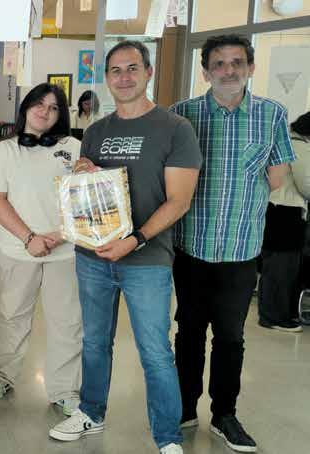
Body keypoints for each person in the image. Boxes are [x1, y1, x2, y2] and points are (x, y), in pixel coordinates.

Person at [48, 41, 201, 454]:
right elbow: (88, 191)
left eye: (133, 68)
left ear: (148, 72)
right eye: (115, 70)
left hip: (146, 259)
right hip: (92, 256)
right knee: (94, 342)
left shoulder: (175, 129)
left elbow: (179, 201)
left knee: (155, 351)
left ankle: (167, 436)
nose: (124, 77)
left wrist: (134, 240)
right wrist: (83, 171)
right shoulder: (96, 131)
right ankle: (91, 412)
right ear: (107, 78)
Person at [169, 34, 295, 453]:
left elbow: (276, 177)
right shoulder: (182, 115)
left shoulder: (272, 114)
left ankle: (224, 414)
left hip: (241, 250)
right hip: (190, 246)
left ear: (250, 68)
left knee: (230, 337)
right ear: (205, 71)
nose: (228, 70)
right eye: (219, 63)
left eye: (237, 62)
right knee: (188, 331)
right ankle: (184, 407)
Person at [0, 83, 83, 416]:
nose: (44, 112)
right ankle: (1, 376)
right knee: (12, 316)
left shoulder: (74, 148)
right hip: (17, 249)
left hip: (64, 250)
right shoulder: (4, 151)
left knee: (67, 321)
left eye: (53, 108)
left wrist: (60, 235)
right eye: (39, 104)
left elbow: (84, 197)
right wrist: (29, 238)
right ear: (25, 107)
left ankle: (66, 390)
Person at [259, 111, 310, 333]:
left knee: (273, 266)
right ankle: (276, 317)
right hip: (287, 212)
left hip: (274, 209)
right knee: (283, 267)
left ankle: (270, 314)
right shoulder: (300, 146)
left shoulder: (284, 140)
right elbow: (306, 183)